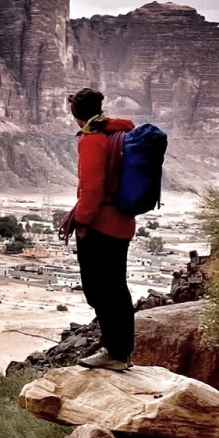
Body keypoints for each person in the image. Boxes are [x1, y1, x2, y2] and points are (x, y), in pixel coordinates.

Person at [60, 86, 135, 370]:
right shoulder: (121, 132)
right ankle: (121, 351)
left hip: (100, 226)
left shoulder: (92, 139)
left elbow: (91, 188)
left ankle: (114, 352)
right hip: (123, 223)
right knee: (117, 288)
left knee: (100, 289)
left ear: (75, 113)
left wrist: (82, 223)